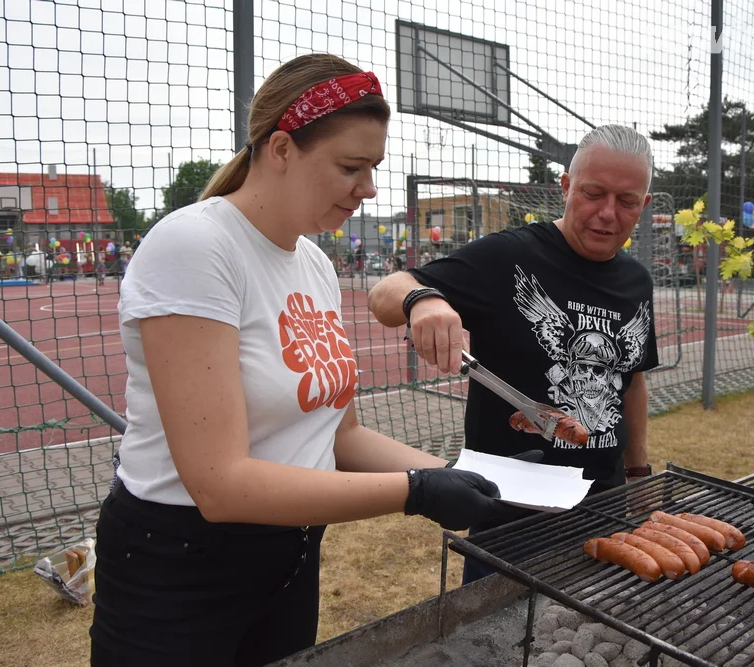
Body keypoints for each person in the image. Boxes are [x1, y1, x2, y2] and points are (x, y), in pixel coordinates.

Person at [88, 53, 536, 667]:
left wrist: (470, 480)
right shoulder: (195, 245)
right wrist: (416, 492)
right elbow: (220, 485)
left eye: (374, 167)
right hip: (180, 566)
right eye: (351, 166)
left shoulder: (314, 263)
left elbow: (341, 435)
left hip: (290, 555)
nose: (370, 188)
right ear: (280, 150)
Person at [368, 124, 660, 584]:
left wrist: (638, 471)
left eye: (626, 201)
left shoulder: (636, 280)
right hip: (512, 512)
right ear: (565, 187)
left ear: (643, 206)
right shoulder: (509, 258)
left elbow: (631, 379)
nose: (607, 214)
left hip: (606, 504)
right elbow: (385, 291)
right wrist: (422, 301)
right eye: (593, 193)